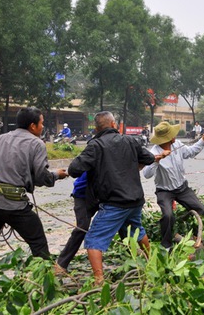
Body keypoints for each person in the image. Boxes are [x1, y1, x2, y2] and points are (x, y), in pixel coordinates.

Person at [0, 107, 68, 281]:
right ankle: (45, 285)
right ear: (32, 126)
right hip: (14, 205)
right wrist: (56, 175)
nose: (42, 127)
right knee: (38, 242)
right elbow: (41, 176)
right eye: (42, 123)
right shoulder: (36, 143)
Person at [67, 111, 163, 285]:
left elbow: (74, 169)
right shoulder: (129, 140)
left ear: (96, 128)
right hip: (135, 200)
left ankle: (99, 281)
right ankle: (153, 264)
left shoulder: (95, 145)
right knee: (137, 231)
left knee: (93, 240)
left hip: (114, 203)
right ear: (113, 125)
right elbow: (148, 158)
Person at [142, 122, 204, 250]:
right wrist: (157, 160)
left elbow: (190, 152)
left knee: (200, 209)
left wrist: (203, 139)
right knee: (168, 216)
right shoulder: (154, 152)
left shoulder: (177, 145)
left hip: (182, 188)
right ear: (166, 138)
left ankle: (199, 236)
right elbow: (146, 174)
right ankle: (166, 245)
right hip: (164, 191)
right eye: (172, 134)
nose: (175, 136)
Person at [54, 172, 96, 274]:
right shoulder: (92, 156)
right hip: (83, 195)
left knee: (121, 218)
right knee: (82, 228)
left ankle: (134, 252)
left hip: (104, 194)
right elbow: (75, 168)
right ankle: (61, 264)